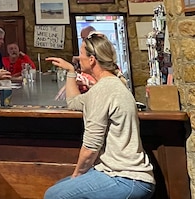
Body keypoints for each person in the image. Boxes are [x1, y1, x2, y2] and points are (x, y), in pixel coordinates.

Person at [45, 33, 154, 199]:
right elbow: (74, 102)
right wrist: (70, 71)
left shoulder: (103, 90)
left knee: (54, 196)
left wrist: (76, 176)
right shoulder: (109, 85)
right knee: (59, 188)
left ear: (92, 59)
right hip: (118, 173)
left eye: (81, 54)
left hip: (127, 177)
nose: (77, 58)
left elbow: (90, 148)